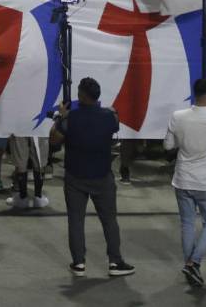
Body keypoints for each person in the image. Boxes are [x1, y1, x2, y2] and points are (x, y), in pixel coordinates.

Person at [49, 78, 134, 278]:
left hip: (75, 176)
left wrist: (60, 117)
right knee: (109, 220)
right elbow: (113, 125)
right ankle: (115, 262)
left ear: (80, 95)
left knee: (76, 221)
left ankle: (79, 263)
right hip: (102, 175)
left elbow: (54, 140)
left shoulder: (70, 118)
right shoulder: (110, 116)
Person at [164, 78, 206, 288]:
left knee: (187, 223)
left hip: (183, 178)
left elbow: (168, 145)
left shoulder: (178, 116)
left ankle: (189, 265)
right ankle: (194, 262)